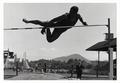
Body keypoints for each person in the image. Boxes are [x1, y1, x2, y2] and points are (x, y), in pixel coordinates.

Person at [23, 6, 88, 43]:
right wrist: (44, 27)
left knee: (50, 40)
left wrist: (83, 23)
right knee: (42, 23)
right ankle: (28, 21)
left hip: (60, 30)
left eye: (72, 12)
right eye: (70, 11)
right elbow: (53, 20)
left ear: (75, 13)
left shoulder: (78, 16)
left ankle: (47, 28)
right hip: (57, 24)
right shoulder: (65, 16)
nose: (70, 13)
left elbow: (81, 19)